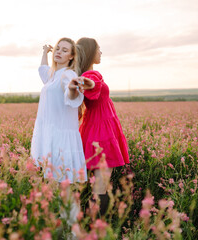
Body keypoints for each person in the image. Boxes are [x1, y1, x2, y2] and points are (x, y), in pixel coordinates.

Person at [31, 38, 88, 227]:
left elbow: (71, 95)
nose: (59, 52)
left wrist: (73, 89)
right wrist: (44, 52)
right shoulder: (53, 75)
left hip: (62, 140)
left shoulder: (67, 75)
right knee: (54, 186)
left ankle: (72, 230)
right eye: (57, 49)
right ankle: (60, 227)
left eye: (64, 50)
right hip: (51, 137)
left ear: (72, 56)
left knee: (66, 188)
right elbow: (43, 71)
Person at [73, 37, 130, 217]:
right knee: (101, 185)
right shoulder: (90, 75)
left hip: (97, 129)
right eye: (99, 49)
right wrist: (84, 83)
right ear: (90, 52)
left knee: (98, 184)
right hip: (102, 133)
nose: (101, 53)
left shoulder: (89, 74)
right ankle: (96, 229)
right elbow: (91, 85)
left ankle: (91, 227)